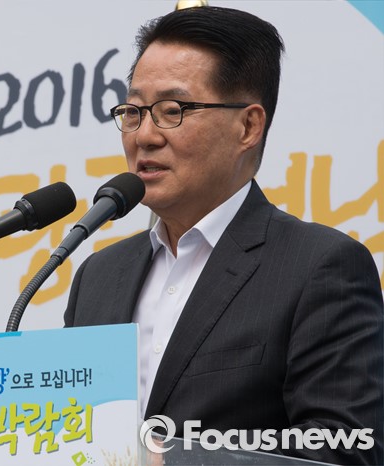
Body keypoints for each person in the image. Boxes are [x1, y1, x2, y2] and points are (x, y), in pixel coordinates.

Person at [63, 6, 383, 465]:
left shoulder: (319, 267)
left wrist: (178, 457)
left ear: (248, 126)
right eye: (133, 112)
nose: (144, 136)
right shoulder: (99, 275)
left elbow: (344, 447)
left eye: (172, 111)